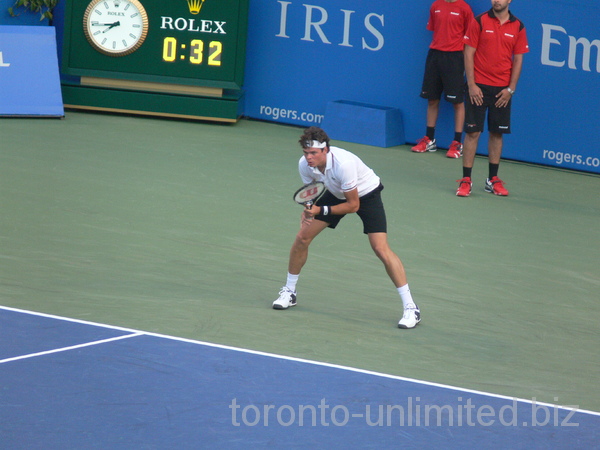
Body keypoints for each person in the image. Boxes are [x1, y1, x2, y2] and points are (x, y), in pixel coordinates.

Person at [273, 127, 420, 329]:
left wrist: (319, 210)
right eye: (306, 153)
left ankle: (411, 308)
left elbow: (353, 205)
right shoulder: (304, 165)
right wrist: (308, 210)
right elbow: (311, 193)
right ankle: (289, 292)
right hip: (334, 191)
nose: (309, 158)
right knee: (302, 238)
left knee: (380, 248)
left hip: (365, 194)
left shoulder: (344, 165)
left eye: (314, 153)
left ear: (326, 150)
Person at [456, 0, 529, 197]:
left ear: (509, 0)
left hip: (502, 91)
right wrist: (471, 85)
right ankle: (466, 180)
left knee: (497, 133)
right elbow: (468, 53)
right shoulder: (479, 21)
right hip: (478, 88)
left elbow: (519, 58)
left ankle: (492, 179)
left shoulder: (518, 26)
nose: (496, 0)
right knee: (473, 133)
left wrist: (510, 89)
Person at [412, 0, 474, 158]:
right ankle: (429, 139)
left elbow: (470, 38)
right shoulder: (436, 6)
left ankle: (457, 143)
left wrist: (465, 63)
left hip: (455, 58)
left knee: (457, 101)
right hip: (434, 55)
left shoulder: (465, 9)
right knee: (432, 99)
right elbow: (434, 28)